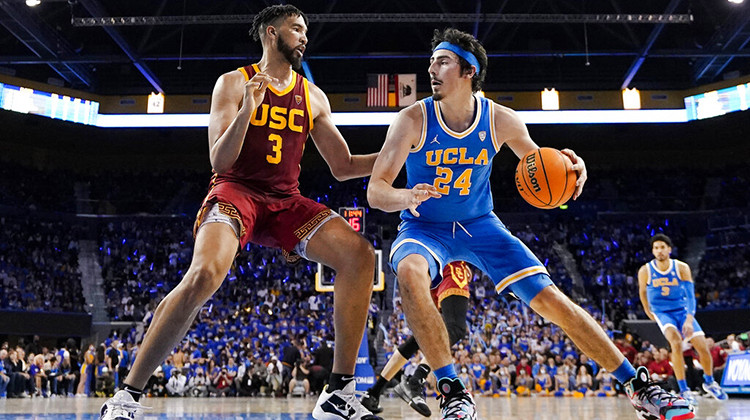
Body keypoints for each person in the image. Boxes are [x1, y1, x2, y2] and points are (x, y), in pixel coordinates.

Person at [367, 27, 694, 420]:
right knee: (408, 270)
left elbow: (540, 166)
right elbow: (376, 190)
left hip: (480, 224)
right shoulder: (412, 119)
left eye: (442, 61)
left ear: (468, 70)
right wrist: (406, 196)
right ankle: (453, 391)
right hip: (425, 227)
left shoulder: (500, 120)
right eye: (431, 61)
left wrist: (573, 169)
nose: (431, 69)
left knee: (553, 301)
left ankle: (639, 387)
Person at [100, 5, 380, 420]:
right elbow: (221, 161)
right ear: (271, 33)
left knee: (360, 255)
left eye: (306, 30)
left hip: (286, 201)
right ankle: (126, 397)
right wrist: (249, 109)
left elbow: (343, 167)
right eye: (296, 28)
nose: (305, 36)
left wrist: (397, 154)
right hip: (237, 191)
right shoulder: (233, 82)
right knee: (204, 275)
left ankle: (338, 394)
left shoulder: (312, 95)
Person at [361, 261, 471, 417]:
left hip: (428, 268)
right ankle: (416, 379)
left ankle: (373, 393)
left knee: (424, 334)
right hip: (450, 265)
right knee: (455, 329)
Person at [638, 233, 729, 403]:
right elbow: (642, 292)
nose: (659, 251)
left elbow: (690, 296)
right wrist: (647, 311)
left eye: (662, 247)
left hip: (681, 310)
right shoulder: (645, 270)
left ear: (669, 250)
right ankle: (684, 390)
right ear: (653, 251)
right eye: (656, 248)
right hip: (662, 312)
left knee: (702, 346)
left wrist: (688, 319)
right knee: (676, 342)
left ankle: (709, 382)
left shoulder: (681, 267)